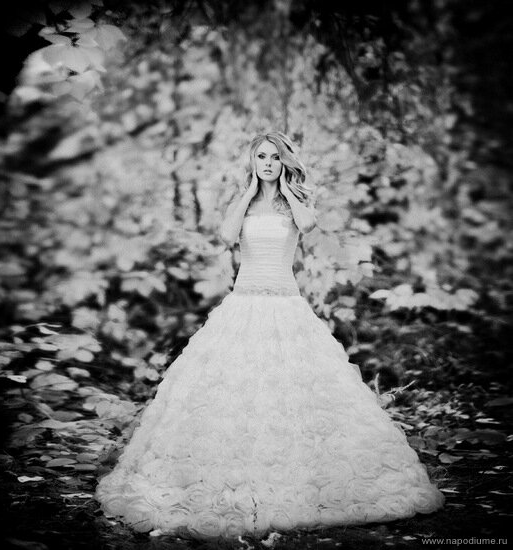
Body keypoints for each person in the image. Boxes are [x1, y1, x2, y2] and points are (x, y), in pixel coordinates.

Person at [94, 131, 446, 540]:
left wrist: (286, 189)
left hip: (285, 305)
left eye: (275, 157)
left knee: (294, 392)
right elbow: (226, 235)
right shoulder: (242, 202)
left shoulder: (295, 202)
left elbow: (308, 224)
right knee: (233, 391)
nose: (267, 163)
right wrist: (248, 192)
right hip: (243, 305)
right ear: (253, 161)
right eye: (261, 157)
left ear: (284, 162)